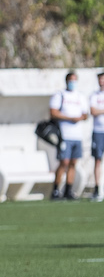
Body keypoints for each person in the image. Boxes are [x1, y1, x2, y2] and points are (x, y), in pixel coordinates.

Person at [50, 71, 88, 200]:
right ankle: (56, 190)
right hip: (64, 135)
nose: (73, 83)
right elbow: (53, 112)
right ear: (66, 81)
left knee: (73, 163)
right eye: (71, 80)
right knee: (64, 162)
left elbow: (85, 114)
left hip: (77, 136)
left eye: (75, 80)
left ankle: (68, 190)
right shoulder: (60, 95)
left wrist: (79, 118)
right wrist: (70, 118)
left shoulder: (80, 96)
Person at [89, 71, 104, 202]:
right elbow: (93, 111)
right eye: (100, 79)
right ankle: (97, 188)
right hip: (98, 132)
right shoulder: (94, 95)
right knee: (97, 160)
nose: (101, 81)